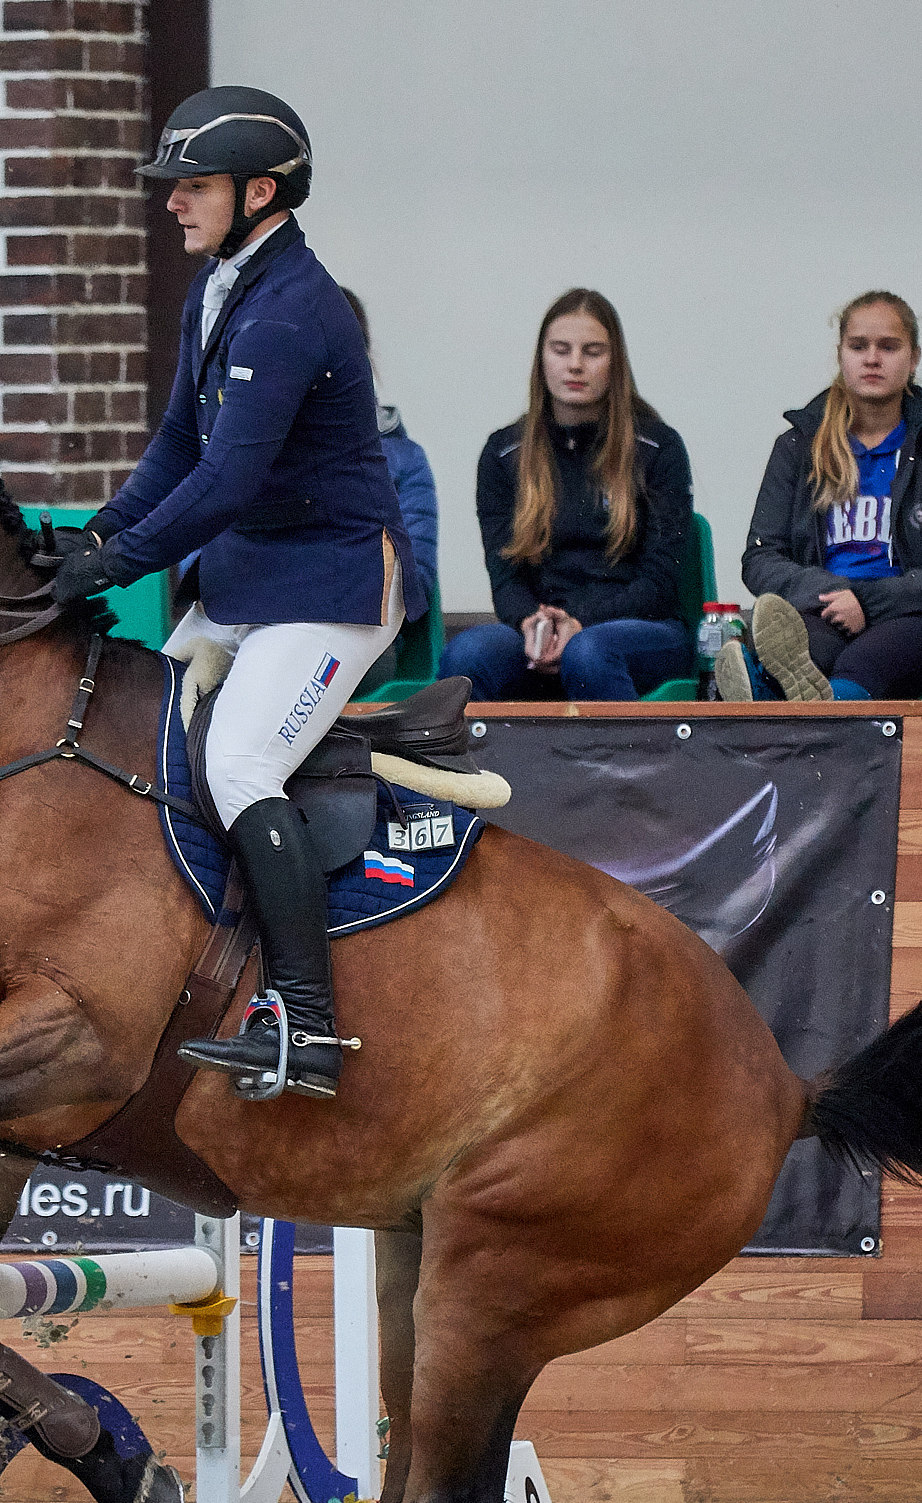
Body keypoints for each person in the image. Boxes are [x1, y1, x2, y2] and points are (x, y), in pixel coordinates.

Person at [49, 85, 418, 1101]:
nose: (171, 202)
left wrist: (111, 567)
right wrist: (95, 535)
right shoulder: (216, 290)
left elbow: (226, 481)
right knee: (133, 747)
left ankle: (306, 1024)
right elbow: (176, 444)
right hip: (253, 581)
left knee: (239, 761)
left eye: (193, 186)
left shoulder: (296, 308)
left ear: (263, 192)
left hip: (333, 587)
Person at [724, 290, 922, 701]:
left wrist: (868, 601)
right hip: (828, 610)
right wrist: (833, 593)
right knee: (812, 649)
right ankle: (765, 695)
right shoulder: (798, 446)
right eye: (858, 346)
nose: (872, 358)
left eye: (888, 347)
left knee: (866, 663)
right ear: (841, 355)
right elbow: (761, 557)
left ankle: (802, 711)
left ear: (913, 359)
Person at [440, 289, 693, 701]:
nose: (575, 364)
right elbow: (505, 579)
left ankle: (622, 766)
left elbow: (661, 582)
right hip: (542, 627)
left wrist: (580, 623)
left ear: (616, 363)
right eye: (561, 350)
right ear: (541, 360)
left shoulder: (658, 448)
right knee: (468, 653)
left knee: (589, 652)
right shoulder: (504, 453)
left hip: (639, 626)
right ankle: (478, 768)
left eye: (593, 352)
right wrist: (531, 623)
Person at [342, 288, 438, 621]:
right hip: (252, 627)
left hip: (362, 626)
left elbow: (416, 585)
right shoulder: (250, 450)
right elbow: (204, 570)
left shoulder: (405, 461)